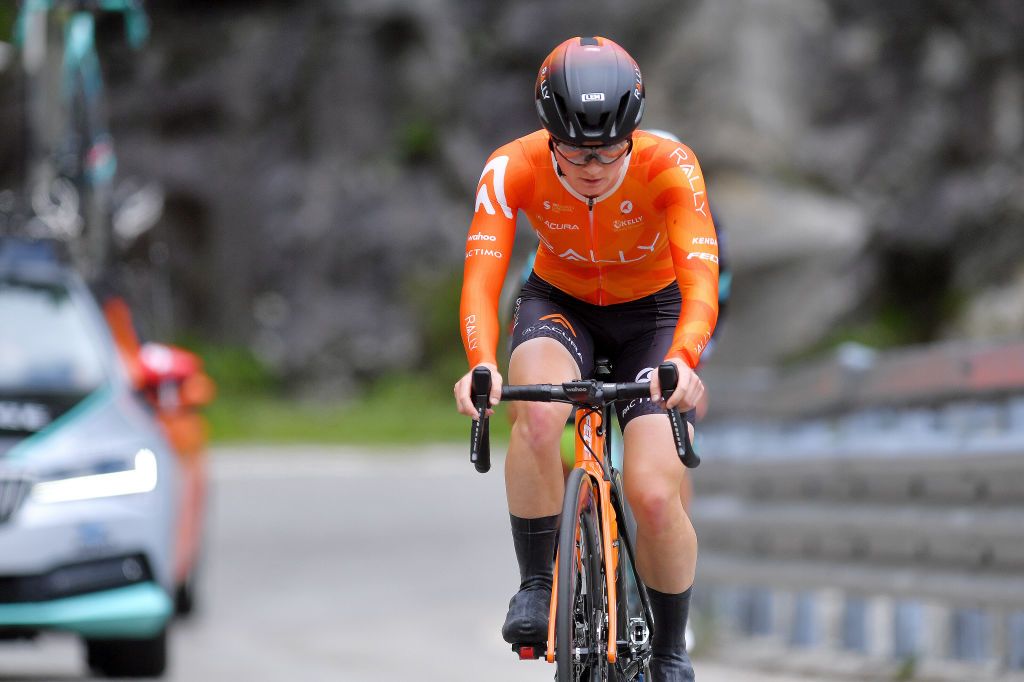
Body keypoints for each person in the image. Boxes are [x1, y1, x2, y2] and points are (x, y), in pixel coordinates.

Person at [453, 36, 718, 681]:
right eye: (575, 153)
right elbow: (482, 278)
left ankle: (670, 651)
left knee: (654, 496)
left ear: (633, 132)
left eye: (608, 151)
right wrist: (481, 362)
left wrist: (684, 358)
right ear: (549, 137)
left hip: (651, 319)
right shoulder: (510, 167)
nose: (593, 166)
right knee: (539, 416)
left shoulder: (670, 164)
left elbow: (700, 275)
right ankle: (539, 586)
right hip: (559, 305)